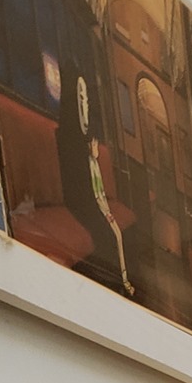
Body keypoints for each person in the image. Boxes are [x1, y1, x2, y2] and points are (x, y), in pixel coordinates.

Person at [56, 66, 134, 298]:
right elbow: (79, 190)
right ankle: (117, 282)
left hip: (97, 200)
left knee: (117, 231)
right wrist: (90, 157)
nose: (85, 105)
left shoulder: (88, 139)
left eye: (86, 99)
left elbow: (97, 186)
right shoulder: (68, 138)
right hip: (82, 203)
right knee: (112, 232)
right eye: (80, 98)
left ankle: (122, 280)